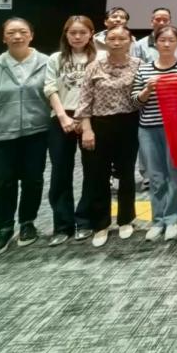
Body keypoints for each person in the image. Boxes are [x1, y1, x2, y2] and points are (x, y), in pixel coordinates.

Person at [0, 18, 50, 258]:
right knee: (3, 182)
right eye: (11, 33)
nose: (17, 36)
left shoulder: (47, 63)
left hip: (37, 133)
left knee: (33, 180)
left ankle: (27, 222)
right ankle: (3, 229)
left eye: (23, 32)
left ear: (31, 35)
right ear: (4, 38)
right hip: (1, 136)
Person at [75, 24, 141, 247]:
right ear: (105, 41)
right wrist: (87, 129)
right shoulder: (94, 66)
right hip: (98, 125)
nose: (116, 42)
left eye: (122, 38)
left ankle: (126, 219)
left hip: (128, 124)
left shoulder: (138, 65)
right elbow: (84, 101)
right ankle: (100, 224)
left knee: (126, 174)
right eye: (112, 38)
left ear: (130, 41)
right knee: (97, 175)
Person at [44, 15, 101, 245]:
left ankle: (85, 221)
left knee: (93, 171)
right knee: (60, 172)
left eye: (82, 32)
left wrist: (83, 120)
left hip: (91, 119)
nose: (77, 37)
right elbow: (50, 89)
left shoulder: (100, 57)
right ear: (66, 35)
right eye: (73, 33)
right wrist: (63, 117)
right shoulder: (55, 59)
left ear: (91, 34)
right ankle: (62, 225)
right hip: (61, 119)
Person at [132, 25, 177, 242]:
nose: (166, 44)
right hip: (149, 129)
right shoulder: (144, 69)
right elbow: (135, 101)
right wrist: (147, 90)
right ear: (155, 43)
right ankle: (158, 220)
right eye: (162, 40)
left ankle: (173, 219)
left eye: (171, 40)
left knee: (176, 176)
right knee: (156, 177)